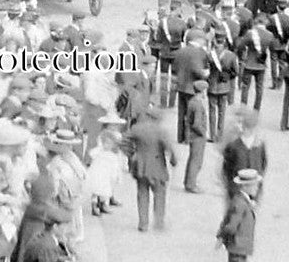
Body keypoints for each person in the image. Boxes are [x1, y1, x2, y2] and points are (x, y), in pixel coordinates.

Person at [124, 103, 177, 232]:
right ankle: (158, 222)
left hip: (140, 166)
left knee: (142, 194)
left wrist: (131, 154)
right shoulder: (161, 131)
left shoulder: (137, 128)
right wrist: (173, 161)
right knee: (159, 194)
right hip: (157, 167)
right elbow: (169, 148)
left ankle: (143, 223)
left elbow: (124, 141)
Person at [221, 108, 267, 203]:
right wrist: (231, 186)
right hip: (236, 191)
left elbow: (263, 163)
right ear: (243, 127)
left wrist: (258, 182)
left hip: (254, 190)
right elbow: (226, 168)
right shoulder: (233, 146)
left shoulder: (259, 145)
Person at [216, 169, 260, 262]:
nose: (256, 188)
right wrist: (222, 237)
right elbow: (232, 225)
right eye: (254, 185)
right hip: (238, 246)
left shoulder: (243, 201)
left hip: (240, 247)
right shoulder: (240, 203)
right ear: (245, 186)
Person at [85, 129, 124, 217]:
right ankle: (94, 206)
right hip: (97, 173)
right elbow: (91, 154)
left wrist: (116, 176)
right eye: (106, 143)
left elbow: (115, 167)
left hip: (106, 176)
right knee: (96, 190)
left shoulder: (112, 155)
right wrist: (99, 147)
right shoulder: (99, 151)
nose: (107, 146)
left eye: (110, 144)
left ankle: (102, 205)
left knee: (104, 191)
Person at [237, 16, 272, 111]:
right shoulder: (269, 34)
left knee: (245, 88)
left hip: (249, 63)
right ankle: (256, 109)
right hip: (261, 65)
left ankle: (243, 108)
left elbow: (240, 46)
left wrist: (241, 57)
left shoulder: (250, 33)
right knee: (259, 89)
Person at [183, 80, 209, 193]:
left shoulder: (192, 101)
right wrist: (204, 133)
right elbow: (197, 124)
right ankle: (191, 184)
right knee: (196, 161)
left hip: (192, 135)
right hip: (197, 136)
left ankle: (188, 181)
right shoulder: (198, 104)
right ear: (202, 91)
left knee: (192, 159)